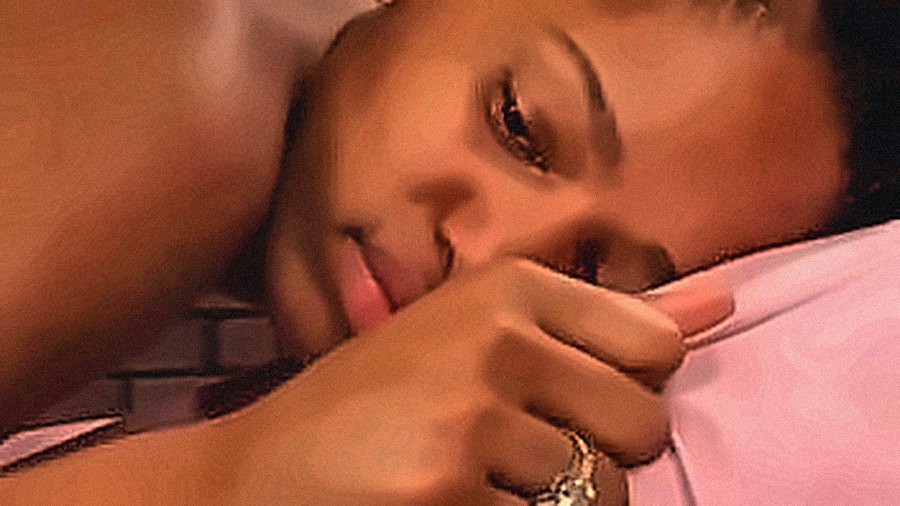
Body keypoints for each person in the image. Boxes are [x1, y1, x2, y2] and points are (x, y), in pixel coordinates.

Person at [1, 0, 896, 504]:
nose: (488, 253)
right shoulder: (203, 87)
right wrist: (217, 482)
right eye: (519, 126)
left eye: (589, 272)